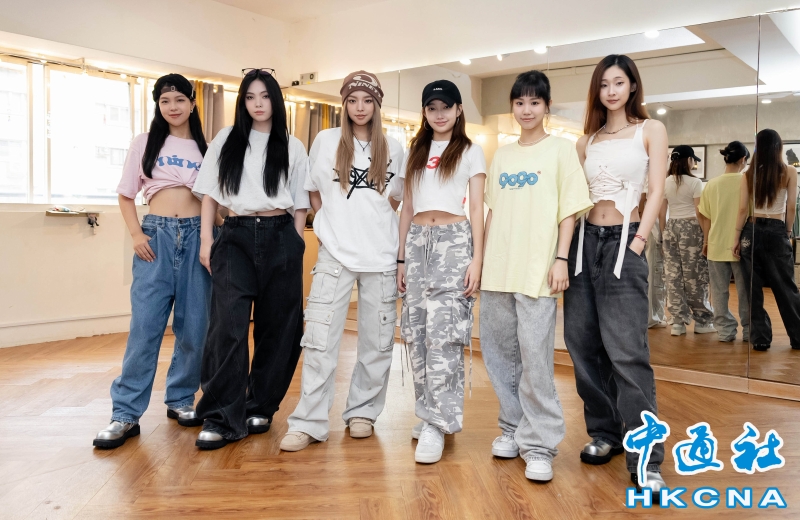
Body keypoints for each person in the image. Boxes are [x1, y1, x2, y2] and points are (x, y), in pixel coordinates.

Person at [280, 71, 405, 452]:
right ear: (344, 104)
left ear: (377, 104)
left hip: (381, 257)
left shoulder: (393, 147)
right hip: (335, 254)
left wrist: (369, 225)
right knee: (319, 340)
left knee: (377, 342)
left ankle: (363, 412)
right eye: (353, 101)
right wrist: (331, 223)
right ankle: (309, 421)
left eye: (367, 101)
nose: (360, 108)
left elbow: (394, 200)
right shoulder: (326, 140)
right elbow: (314, 192)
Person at [480, 71, 593, 482]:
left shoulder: (561, 151)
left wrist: (561, 258)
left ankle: (540, 444)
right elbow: (492, 212)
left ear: (546, 106)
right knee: (499, 355)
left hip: (538, 270)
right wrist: (480, 260)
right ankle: (512, 428)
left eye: (534, 102)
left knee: (536, 358)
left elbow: (569, 212)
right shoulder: (502, 155)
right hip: (498, 268)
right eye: (519, 103)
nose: (526, 110)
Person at [564, 54, 668, 494]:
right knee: (583, 345)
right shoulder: (584, 142)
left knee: (627, 351)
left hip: (626, 241)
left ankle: (646, 457)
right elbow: (573, 199)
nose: (611, 91)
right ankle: (605, 432)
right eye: (604, 84)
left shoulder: (650, 130)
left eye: (619, 82)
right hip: (584, 243)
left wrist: (639, 240)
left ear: (632, 87)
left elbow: (657, 189)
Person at [192, 68, 310, 449]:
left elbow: (301, 202)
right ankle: (220, 416)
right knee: (227, 327)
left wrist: (295, 241)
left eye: (265, 96)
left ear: (276, 100)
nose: (258, 104)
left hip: (281, 236)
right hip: (235, 236)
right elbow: (209, 195)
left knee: (279, 328)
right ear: (242, 102)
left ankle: (260, 405)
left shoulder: (292, 145)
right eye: (250, 97)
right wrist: (207, 241)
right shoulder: (227, 139)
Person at [94, 74, 211, 449]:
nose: (172, 107)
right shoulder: (144, 142)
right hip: (155, 238)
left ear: (192, 103)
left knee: (194, 329)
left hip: (198, 238)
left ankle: (180, 399)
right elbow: (126, 194)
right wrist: (136, 234)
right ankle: (125, 414)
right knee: (145, 329)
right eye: (165, 101)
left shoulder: (207, 149)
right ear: (158, 105)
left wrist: (213, 230)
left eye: (179, 99)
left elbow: (220, 204)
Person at [397, 79, 485, 464]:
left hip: (454, 240)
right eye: (432, 108)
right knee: (416, 330)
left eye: (446, 107)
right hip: (417, 240)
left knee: (445, 331)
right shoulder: (415, 151)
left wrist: (477, 259)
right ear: (424, 112)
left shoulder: (470, 151)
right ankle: (429, 412)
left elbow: (477, 208)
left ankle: (440, 421)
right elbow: (406, 207)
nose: (439, 114)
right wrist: (401, 258)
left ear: (458, 109)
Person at [733, 129, 800, 352]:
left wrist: (736, 238)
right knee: (786, 287)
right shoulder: (789, 171)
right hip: (776, 229)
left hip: (751, 230)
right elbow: (791, 207)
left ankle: (760, 338)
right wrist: (787, 231)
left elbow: (742, 209)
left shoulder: (748, 173)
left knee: (753, 289)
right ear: (778, 147)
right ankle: (798, 337)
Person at [697, 141, 750, 342]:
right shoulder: (747, 182)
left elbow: (705, 217)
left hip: (716, 243)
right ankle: (749, 330)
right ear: (743, 159)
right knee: (745, 292)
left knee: (718, 292)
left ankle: (725, 332)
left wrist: (706, 241)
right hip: (742, 245)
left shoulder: (712, 184)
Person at [659, 145, 714, 336]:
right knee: (695, 276)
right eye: (693, 160)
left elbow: (661, 213)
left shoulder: (665, 182)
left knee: (673, 276)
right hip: (691, 229)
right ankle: (702, 321)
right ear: (688, 160)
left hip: (671, 227)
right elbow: (700, 213)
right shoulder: (695, 182)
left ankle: (677, 322)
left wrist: (663, 234)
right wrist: (706, 238)